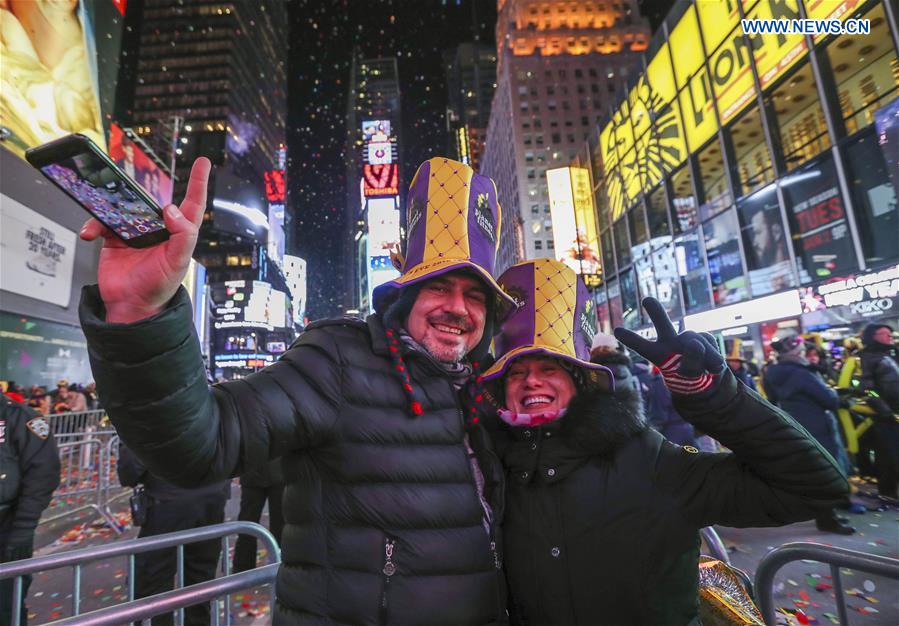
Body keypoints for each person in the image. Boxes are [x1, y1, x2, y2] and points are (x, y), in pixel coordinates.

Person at [78, 157, 515, 624]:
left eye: (475, 295)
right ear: (406, 290)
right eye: (439, 287)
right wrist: (141, 314)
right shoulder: (337, 359)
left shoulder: (489, 392)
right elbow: (203, 444)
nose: (457, 308)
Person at [469, 260, 848, 625]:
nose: (531, 381)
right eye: (515, 373)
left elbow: (812, 487)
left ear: (580, 381)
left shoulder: (648, 460)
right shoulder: (495, 471)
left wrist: (716, 399)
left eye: (548, 368)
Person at [116, 443, 229, 626]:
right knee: (200, 579)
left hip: (168, 502)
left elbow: (130, 467)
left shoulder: (148, 413)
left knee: (154, 581)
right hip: (212, 496)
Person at [763, 334, 855, 534]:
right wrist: (838, 396)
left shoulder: (773, 373)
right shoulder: (802, 373)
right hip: (818, 426)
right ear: (797, 353)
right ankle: (827, 519)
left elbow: (773, 399)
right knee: (826, 473)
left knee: (814, 472)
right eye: (803, 351)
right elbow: (827, 399)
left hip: (798, 424)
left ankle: (825, 515)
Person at [1, 396, 61, 626]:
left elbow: (42, 477)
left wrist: (23, 530)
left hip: (8, 530)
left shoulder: (23, 419)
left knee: (7, 607)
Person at [858, 323, 899, 501]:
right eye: (884, 333)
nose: (889, 336)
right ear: (873, 336)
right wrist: (884, 410)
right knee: (888, 455)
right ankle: (887, 492)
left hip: (894, 410)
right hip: (886, 415)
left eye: (890, 333)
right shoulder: (867, 357)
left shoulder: (892, 353)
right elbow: (868, 389)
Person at [232, 458, 284, 573]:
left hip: (272, 473)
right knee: (248, 524)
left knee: (249, 523)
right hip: (260, 473)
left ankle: (243, 568)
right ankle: (243, 567)